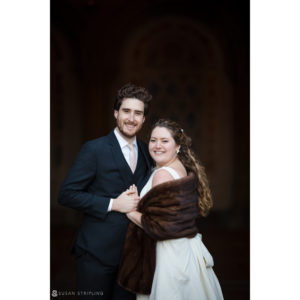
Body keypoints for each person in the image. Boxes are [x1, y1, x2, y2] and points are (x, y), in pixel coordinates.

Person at [58, 83, 153, 300]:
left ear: (144, 119)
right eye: (126, 111)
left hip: (132, 257)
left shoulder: (148, 153)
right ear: (116, 113)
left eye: (138, 113)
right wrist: (113, 204)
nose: (131, 118)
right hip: (95, 255)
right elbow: (67, 194)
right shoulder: (94, 149)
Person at [118, 119, 224, 300]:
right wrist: (140, 202)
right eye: (153, 140)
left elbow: (159, 227)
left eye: (164, 141)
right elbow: (168, 214)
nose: (157, 146)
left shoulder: (162, 174)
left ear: (178, 146)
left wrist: (128, 209)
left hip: (169, 256)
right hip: (185, 250)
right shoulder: (179, 168)